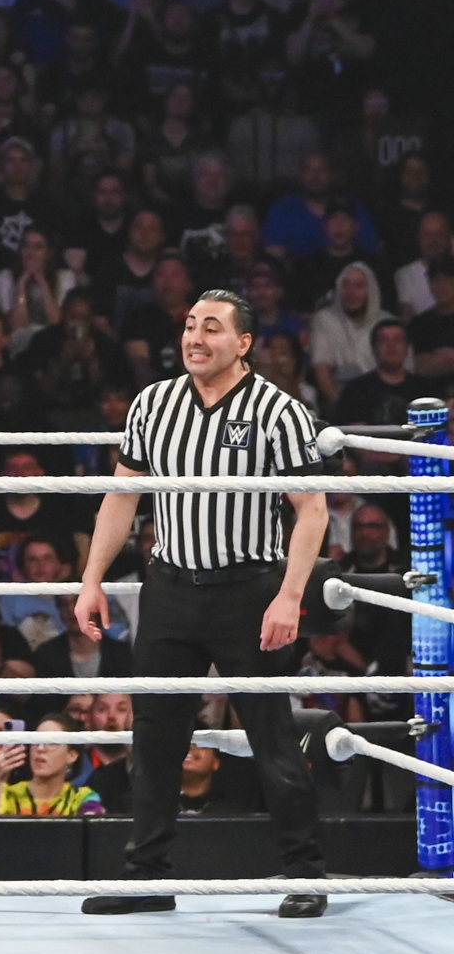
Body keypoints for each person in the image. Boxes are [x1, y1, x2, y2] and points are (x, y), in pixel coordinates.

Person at [75, 288, 330, 919]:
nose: (195, 336)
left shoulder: (278, 411)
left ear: (243, 344)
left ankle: (306, 873)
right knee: (156, 736)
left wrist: (289, 596)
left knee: (271, 734)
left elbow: (313, 510)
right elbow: (121, 497)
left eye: (211, 327)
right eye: (190, 324)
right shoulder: (153, 403)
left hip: (250, 591)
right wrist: (91, 579)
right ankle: (146, 876)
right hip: (170, 590)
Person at [0, 716, 107, 815]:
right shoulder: (8, 795)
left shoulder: (83, 798)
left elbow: (94, 828)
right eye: (36, 741)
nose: (40, 748)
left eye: (51, 742)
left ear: (72, 755)